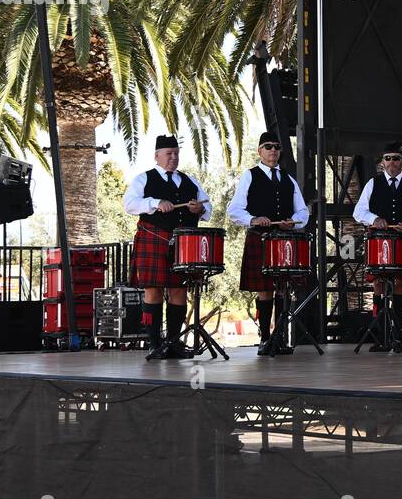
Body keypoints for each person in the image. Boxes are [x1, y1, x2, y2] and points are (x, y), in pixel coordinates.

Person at [123, 135, 213, 360]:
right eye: (168, 154)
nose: (173, 158)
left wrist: (199, 210)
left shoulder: (189, 181)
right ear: (157, 156)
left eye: (176, 153)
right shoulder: (144, 179)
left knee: (179, 292)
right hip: (154, 238)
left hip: (185, 244)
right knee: (153, 291)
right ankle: (154, 344)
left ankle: (174, 344)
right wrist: (155, 203)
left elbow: (207, 207)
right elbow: (130, 204)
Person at [228, 132, 310, 355]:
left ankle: (280, 338)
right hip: (260, 237)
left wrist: (292, 222)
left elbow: (303, 211)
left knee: (283, 290)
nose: (272, 150)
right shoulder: (249, 176)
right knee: (265, 291)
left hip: (284, 239)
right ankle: (265, 338)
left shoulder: (288, 179)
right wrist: (253, 219)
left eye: (276, 146)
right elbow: (234, 210)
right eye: (267, 146)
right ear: (259, 151)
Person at [353, 141, 402, 353]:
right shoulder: (373, 183)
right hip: (378, 241)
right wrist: (375, 218)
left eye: (396, 158)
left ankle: (400, 338)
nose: (391, 163)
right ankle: (381, 337)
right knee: (378, 284)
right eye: (387, 158)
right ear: (382, 162)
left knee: (399, 284)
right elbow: (358, 212)